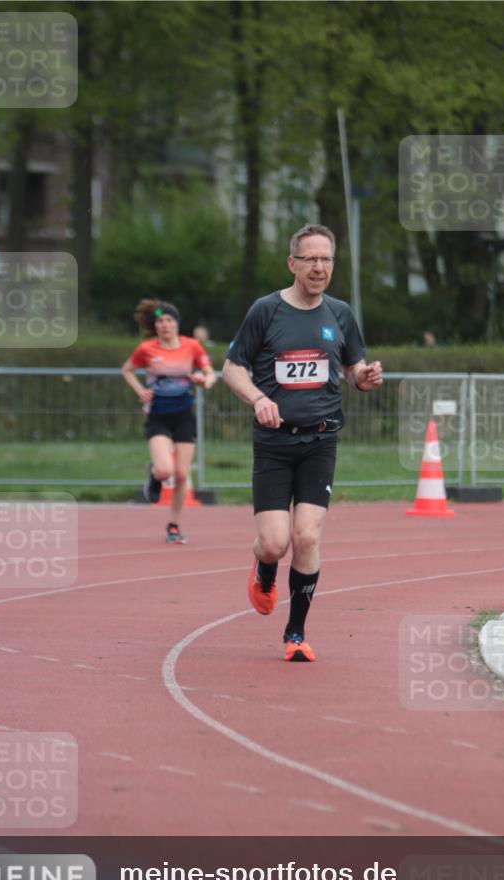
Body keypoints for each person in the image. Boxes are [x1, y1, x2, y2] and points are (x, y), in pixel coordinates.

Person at [222, 223, 383, 662]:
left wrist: (364, 378)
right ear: (292, 263)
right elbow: (232, 368)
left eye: (326, 259)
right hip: (274, 445)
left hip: (320, 441)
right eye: (310, 258)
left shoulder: (341, 314)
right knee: (275, 542)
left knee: (307, 536)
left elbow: (354, 370)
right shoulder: (265, 311)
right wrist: (257, 398)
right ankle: (264, 567)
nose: (319, 267)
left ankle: (295, 633)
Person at [122, 298, 216, 543]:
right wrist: (140, 391)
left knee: (182, 475)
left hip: (184, 414)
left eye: (169, 320)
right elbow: (127, 370)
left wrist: (203, 381)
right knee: (165, 470)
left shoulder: (192, 346)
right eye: (160, 321)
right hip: (158, 415)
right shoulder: (146, 349)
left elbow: (209, 374)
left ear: (177, 323)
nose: (164, 325)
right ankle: (154, 474)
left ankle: (173, 525)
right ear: (155, 327)